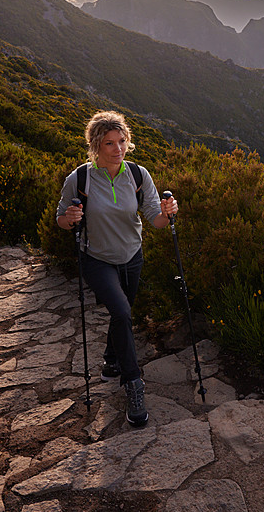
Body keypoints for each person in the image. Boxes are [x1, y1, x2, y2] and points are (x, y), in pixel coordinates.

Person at [57, 111, 177, 427]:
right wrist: (69, 218)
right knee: (123, 313)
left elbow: (156, 219)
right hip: (96, 259)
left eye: (122, 141)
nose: (118, 148)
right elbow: (61, 219)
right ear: (95, 145)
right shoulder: (79, 179)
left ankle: (111, 359)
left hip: (132, 256)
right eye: (109, 143)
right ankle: (133, 384)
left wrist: (168, 212)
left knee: (122, 312)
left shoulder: (138, 176)